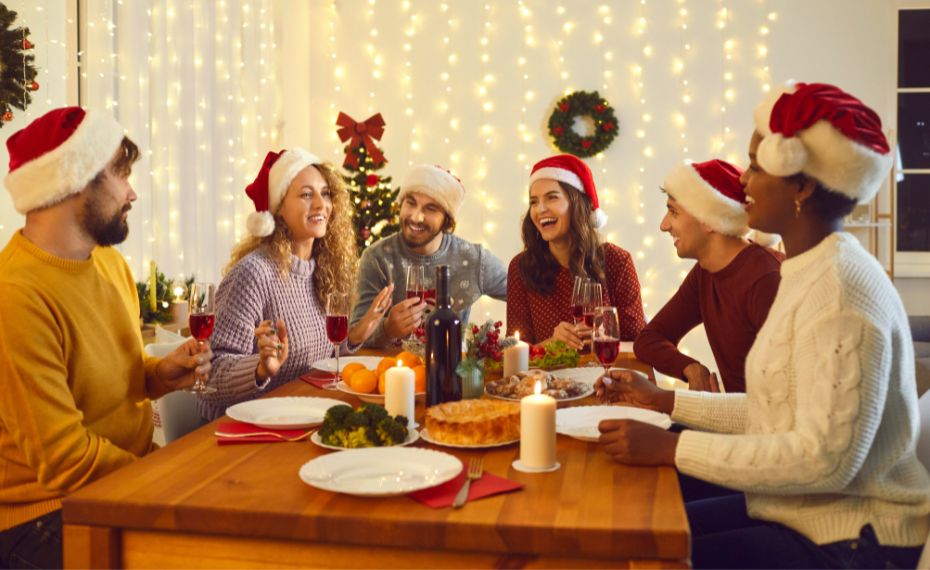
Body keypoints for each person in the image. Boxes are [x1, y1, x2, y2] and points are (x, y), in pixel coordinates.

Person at [596, 83, 930, 569]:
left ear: (802, 185)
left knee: (645, 548)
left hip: (851, 541)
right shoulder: (806, 268)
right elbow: (780, 411)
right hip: (801, 511)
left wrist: (673, 446)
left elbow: (823, 460)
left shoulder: (841, 289)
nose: (743, 180)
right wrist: (664, 400)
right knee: (633, 521)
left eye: (755, 165)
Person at [0, 107, 212, 569]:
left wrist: (158, 374)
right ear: (75, 180)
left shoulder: (110, 265)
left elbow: (108, 382)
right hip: (43, 513)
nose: (132, 192)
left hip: (119, 485)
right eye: (120, 173)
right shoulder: (16, 295)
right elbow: (63, 460)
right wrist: (166, 474)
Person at [197, 149, 391, 420]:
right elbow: (211, 377)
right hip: (244, 427)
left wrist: (358, 333)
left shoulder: (324, 269)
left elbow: (317, 357)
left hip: (299, 415)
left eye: (325, 194)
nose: (321, 205)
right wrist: (260, 368)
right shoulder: (253, 274)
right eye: (306, 194)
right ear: (279, 209)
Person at [633, 159, 783, 393]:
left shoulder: (766, 280)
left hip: (757, 426)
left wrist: (706, 410)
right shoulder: (706, 271)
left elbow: (782, 401)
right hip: (731, 419)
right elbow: (649, 339)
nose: (664, 225)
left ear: (710, 220)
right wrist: (690, 368)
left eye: (673, 211)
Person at [350, 164, 507, 347]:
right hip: (389, 372)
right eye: (411, 203)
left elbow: (527, 293)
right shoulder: (377, 258)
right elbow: (354, 337)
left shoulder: (474, 260)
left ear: (447, 219)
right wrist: (387, 329)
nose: (416, 217)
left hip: (449, 370)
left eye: (431, 208)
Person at [507, 154, 645, 349]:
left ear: (577, 203)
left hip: (606, 375)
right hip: (548, 379)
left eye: (552, 197)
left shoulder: (616, 260)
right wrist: (552, 344)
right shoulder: (521, 267)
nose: (540, 209)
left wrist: (602, 335)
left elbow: (639, 341)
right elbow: (515, 348)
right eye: (533, 202)